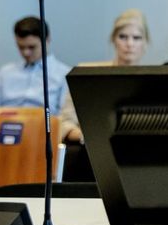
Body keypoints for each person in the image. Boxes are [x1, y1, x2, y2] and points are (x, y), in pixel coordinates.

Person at [60, 9, 150, 143]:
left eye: (136, 38)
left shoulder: (153, 81)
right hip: (88, 151)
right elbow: (65, 122)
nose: (129, 44)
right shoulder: (87, 74)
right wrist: (86, 137)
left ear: (145, 43)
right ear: (113, 40)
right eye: (123, 37)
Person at [0, 17, 71, 114]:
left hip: (43, 126)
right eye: (21, 47)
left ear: (47, 40)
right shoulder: (5, 72)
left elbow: (66, 117)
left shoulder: (64, 74)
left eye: (32, 47)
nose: (26, 53)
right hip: (6, 124)